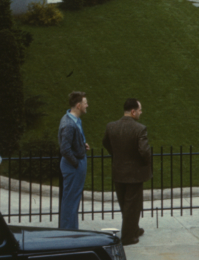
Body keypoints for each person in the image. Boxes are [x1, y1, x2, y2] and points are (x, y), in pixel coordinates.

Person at [102, 97, 152, 243]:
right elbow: (144, 151)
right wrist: (145, 162)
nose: (140, 113)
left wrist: (116, 155)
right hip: (134, 174)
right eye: (139, 110)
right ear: (133, 111)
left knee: (125, 204)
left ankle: (133, 229)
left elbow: (105, 142)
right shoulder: (139, 128)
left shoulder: (111, 126)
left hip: (118, 171)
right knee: (133, 205)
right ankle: (129, 236)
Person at [57, 91, 90, 230]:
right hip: (73, 166)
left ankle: (71, 231)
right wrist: (76, 163)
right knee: (71, 201)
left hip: (75, 163)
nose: (87, 105)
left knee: (73, 200)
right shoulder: (69, 124)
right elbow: (65, 149)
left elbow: (71, 142)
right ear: (78, 105)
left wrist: (82, 144)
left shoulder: (74, 120)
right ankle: (67, 233)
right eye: (85, 103)